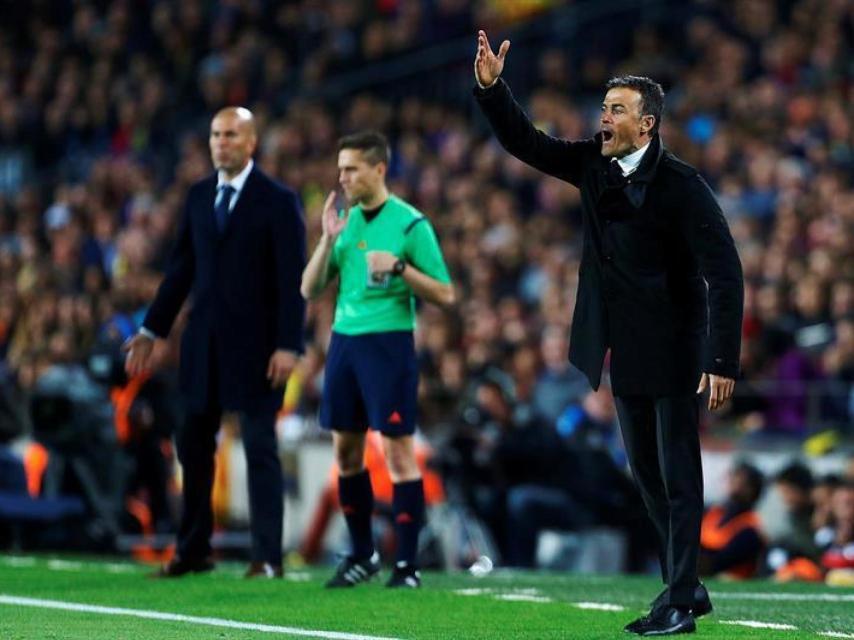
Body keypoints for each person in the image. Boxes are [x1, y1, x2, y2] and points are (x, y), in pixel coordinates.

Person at [473, 31, 744, 636]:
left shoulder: (682, 185)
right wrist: (493, 90)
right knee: (648, 479)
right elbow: (529, 145)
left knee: (678, 476)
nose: (604, 117)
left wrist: (721, 356)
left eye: (616, 109)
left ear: (646, 125)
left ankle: (677, 600)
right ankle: (686, 584)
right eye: (603, 107)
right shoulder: (594, 165)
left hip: (676, 348)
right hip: (625, 349)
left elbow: (725, 271)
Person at [124, 107, 306, 579]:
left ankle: (267, 557)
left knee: (260, 447)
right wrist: (152, 329)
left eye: (231, 135)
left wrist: (290, 344)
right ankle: (194, 550)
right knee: (192, 446)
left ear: (251, 143)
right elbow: (181, 270)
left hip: (260, 348)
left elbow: (292, 282)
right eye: (215, 135)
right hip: (202, 345)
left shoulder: (278, 200)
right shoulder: (199, 195)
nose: (221, 143)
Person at [301, 130, 454, 588]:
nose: (342, 177)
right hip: (344, 344)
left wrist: (402, 270)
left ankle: (406, 564)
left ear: (379, 169)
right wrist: (327, 241)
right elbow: (309, 289)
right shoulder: (344, 225)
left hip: (389, 344)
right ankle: (362, 554)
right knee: (346, 452)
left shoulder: (410, 225)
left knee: (397, 452)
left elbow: (446, 293)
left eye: (351, 168)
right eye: (341, 168)